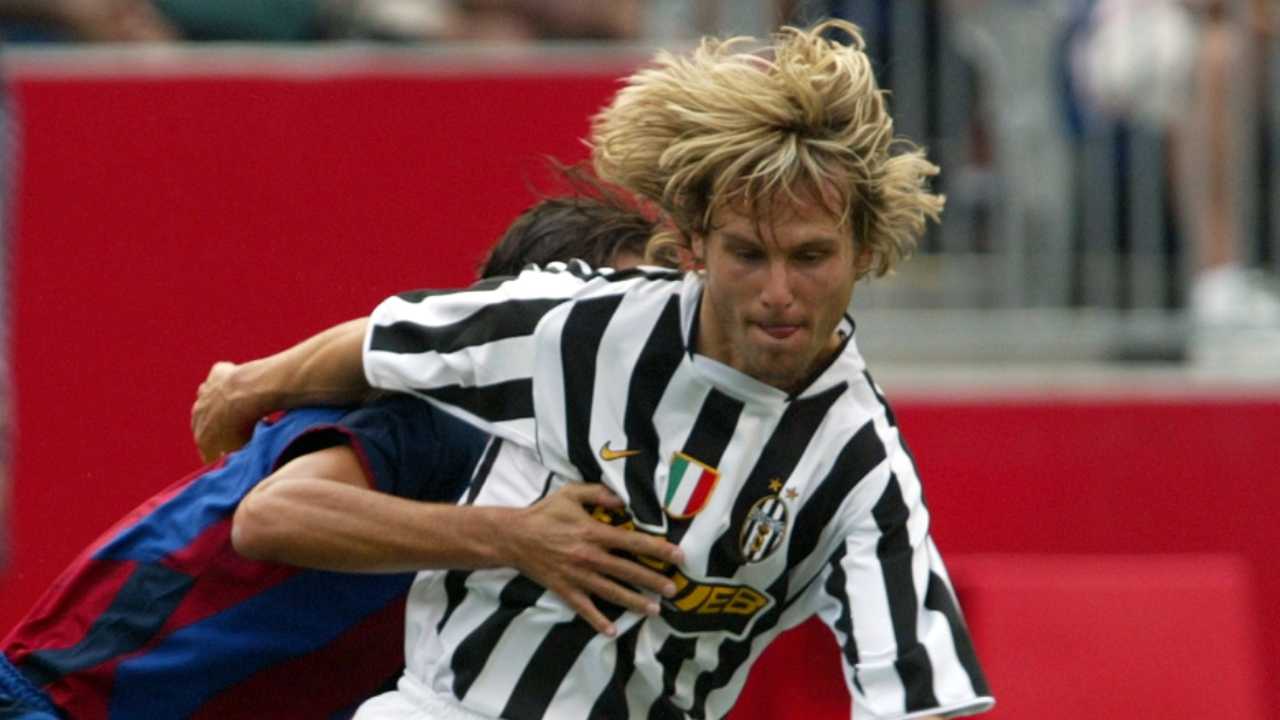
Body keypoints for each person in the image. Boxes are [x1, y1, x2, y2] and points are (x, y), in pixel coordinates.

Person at [194, 20, 993, 720]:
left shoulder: (861, 464)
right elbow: (387, 339)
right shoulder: (584, 324)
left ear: (863, 253)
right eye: (748, 254)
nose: (779, 292)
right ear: (694, 246)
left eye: (811, 257)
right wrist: (248, 385)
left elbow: (914, 692)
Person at [0, 193, 680, 719]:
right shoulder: (441, 416)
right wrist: (515, 538)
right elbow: (273, 515)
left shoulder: (573, 473)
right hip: (63, 703)